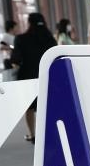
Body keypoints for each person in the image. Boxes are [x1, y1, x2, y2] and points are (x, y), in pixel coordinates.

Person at [10, 12, 57, 142]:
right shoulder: (50, 39)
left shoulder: (21, 39)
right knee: (47, 105)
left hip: (27, 77)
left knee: (29, 107)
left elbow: (15, 60)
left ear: (29, 23)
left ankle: (32, 134)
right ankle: (49, 134)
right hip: (47, 76)